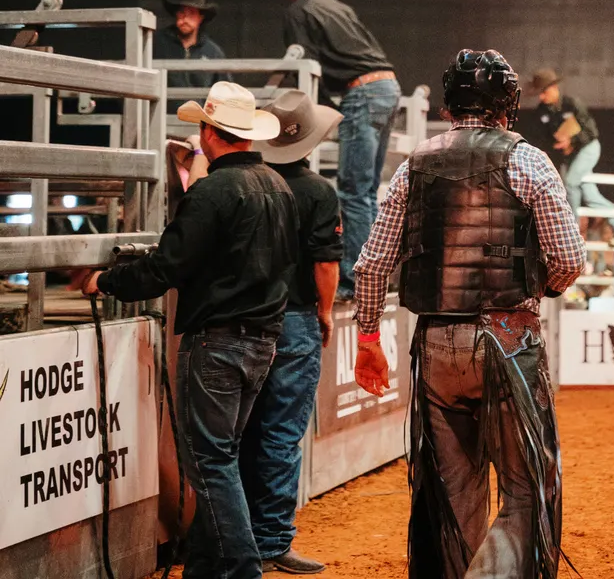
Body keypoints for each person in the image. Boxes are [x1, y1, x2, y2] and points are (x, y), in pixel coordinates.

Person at [354, 48, 586, 579]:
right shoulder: (528, 160)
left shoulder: (415, 163)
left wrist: (369, 338)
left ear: (449, 104)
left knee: (451, 493)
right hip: (507, 338)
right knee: (528, 487)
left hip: (435, 342)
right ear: (507, 103)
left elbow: (371, 266)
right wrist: (540, 286)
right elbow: (569, 260)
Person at [73, 81, 299, 579]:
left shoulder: (213, 192)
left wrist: (105, 280)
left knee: (210, 461)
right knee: (221, 457)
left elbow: (167, 267)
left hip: (217, 339)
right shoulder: (279, 188)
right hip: (262, 337)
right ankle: (205, 566)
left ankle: (241, 569)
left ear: (207, 132)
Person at [241, 89, 344, 575]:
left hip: (244, 320)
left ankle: (236, 538)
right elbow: (326, 262)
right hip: (296, 317)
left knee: (239, 432)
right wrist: (324, 312)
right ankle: (272, 539)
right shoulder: (319, 192)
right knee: (281, 434)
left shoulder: (245, 184)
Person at [267, 0, 401, 302]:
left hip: (362, 90)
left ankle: (356, 281)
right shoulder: (337, 7)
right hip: (387, 85)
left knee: (354, 191)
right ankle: (375, 276)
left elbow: (303, 61)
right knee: (367, 190)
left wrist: (317, 103)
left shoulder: (296, 12)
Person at [530, 68, 614, 236]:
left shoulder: (572, 104)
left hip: (587, 149)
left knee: (569, 183)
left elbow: (591, 133)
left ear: (554, 88)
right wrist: (558, 144)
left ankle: (571, 229)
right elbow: (544, 138)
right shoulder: (542, 111)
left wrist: (571, 140)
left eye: (544, 92)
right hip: (569, 156)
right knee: (589, 196)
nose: (541, 97)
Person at [155, 0, 229, 93]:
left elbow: (224, 91)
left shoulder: (213, 53)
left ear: (200, 18)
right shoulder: (156, 43)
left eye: (191, 13)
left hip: (200, 110)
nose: (185, 19)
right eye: (181, 13)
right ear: (176, 15)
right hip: (163, 110)